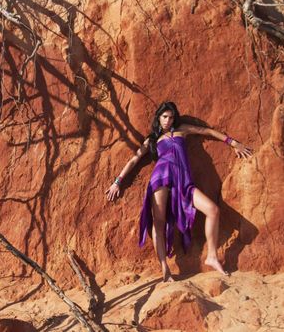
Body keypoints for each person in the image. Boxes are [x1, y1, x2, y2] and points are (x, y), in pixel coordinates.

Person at [105, 101, 253, 282]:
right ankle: (164, 268)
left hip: (184, 183)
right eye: (164, 117)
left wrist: (233, 142)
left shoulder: (182, 129)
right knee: (158, 222)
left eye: (171, 117)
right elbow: (134, 160)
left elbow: (207, 131)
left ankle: (212, 256)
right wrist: (118, 182)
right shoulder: (152, 139)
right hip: (160, 178)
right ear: (158, 118)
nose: (167, 120)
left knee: (213, 210)